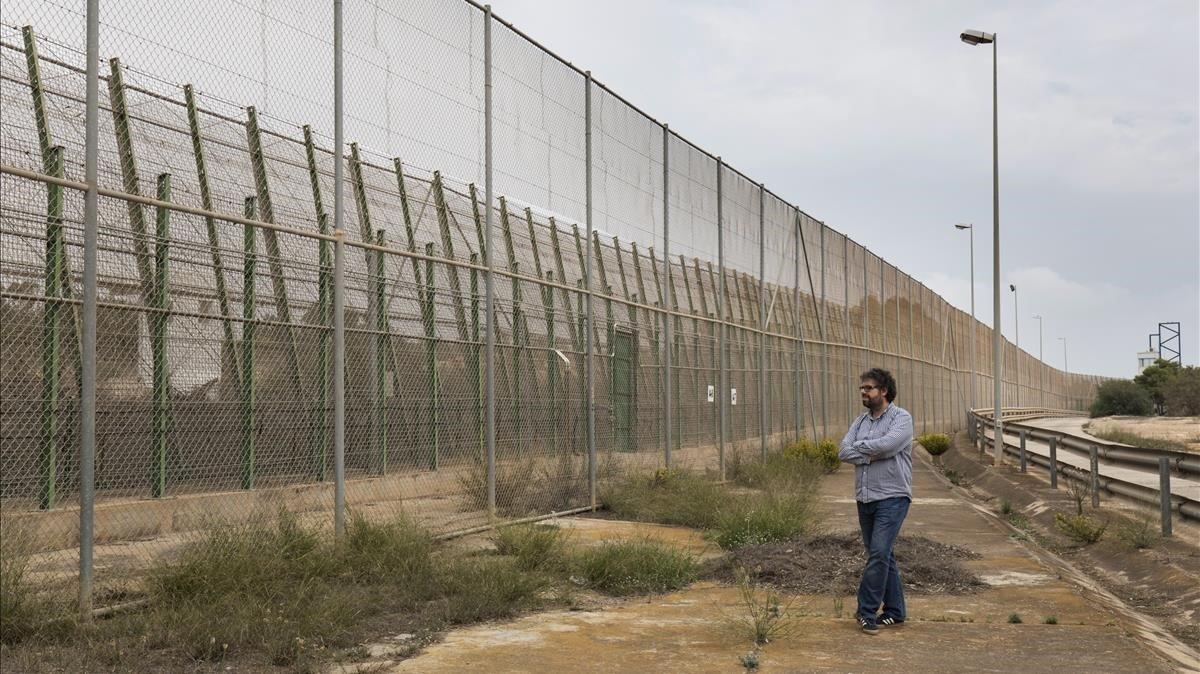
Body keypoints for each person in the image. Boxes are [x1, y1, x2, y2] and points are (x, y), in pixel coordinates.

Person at [838, 367, 913, 635]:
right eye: (861, 388)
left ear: (883, 391)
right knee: (881, 555)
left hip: (893, 496)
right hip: (865, 497)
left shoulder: (901, 418)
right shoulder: (860, 422)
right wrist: (871, 452)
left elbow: (889, 446)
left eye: (868, 388)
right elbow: (843, 451)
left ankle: (866, 612)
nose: (863, 392)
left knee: (879, 552)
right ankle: (895, 611)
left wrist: (863, 448)